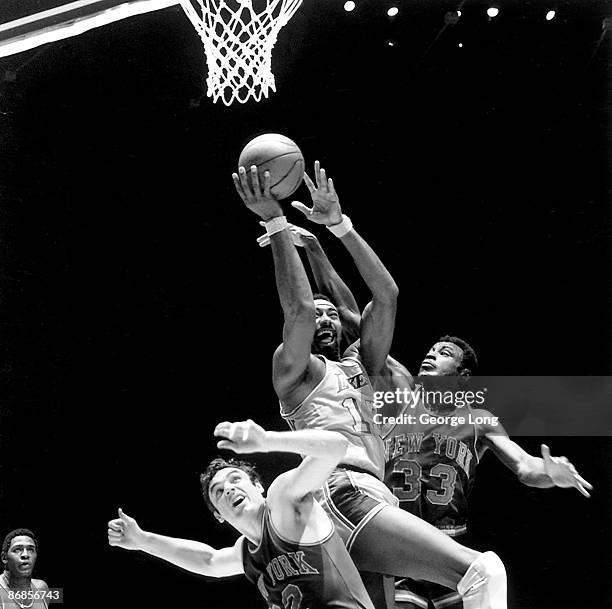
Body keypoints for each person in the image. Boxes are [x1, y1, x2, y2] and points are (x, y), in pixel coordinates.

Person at [257, 224, 592, 609]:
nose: (431, 354)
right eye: (430, 349)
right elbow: (351, 317)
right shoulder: (397, 390)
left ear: (463, 376)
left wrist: (552, 472)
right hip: (380, 529)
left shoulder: (479, 417)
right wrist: (317, 250)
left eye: (444, 352)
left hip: (437, 539)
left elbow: (525, 468)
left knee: (480, 577)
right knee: (481, 573)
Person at [233, 162, 507, 609]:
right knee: (481, 571)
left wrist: (340, 227)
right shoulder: (294, 371)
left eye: (330, 311)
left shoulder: (363, 362)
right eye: (316, 312)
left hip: (364, 499)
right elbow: (300, 310)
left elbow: (387, 295)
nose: (322, 316)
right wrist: (276, 222)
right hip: (342, 492)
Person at [108, 418, 376, 608]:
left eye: (235, 479)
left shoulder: (282, 501)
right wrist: (142, 541)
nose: (228, 489)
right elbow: (208, 561)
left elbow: (336, 447)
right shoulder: (247, 553)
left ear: (258, 485)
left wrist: (268, 440)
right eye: (218, 491)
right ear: (219, 515)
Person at [0, 529, 50, 609]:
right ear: (4, 557)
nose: (25, 555)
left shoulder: (42, 588)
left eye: (30, 549)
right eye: (17, 549)